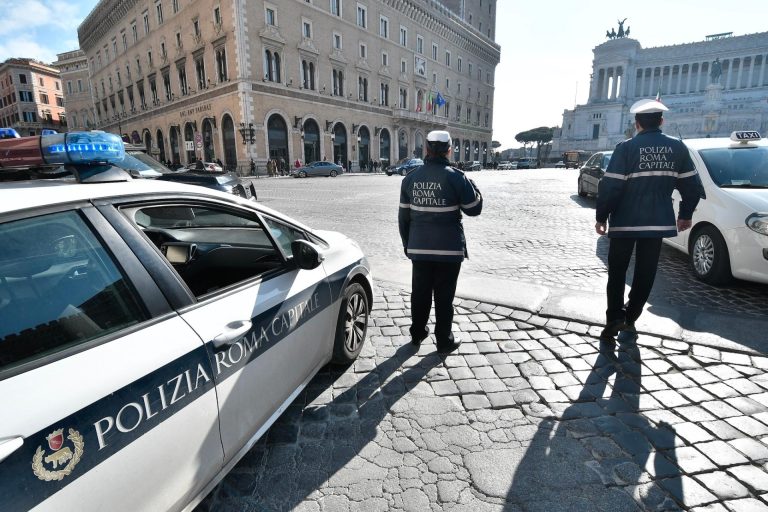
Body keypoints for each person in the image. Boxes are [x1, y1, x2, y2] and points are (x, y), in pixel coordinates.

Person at [595, 98, 702, 341]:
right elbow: (692, 187)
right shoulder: (678, 148)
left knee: (617, 272)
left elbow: (610, 186)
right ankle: (631, 317)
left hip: (624, 221)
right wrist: (685, 215)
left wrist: (601, 216)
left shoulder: (626, 148)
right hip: (657, 222)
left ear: (637, 123)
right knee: (646, 272)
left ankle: (613, 318)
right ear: (661, 121)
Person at [399, 130, 483, 353]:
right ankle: (444, 339)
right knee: (444, 297)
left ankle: (417, 333)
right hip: (449, 249)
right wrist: (473, 186)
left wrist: (408, 245)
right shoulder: (456, 177)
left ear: (426, 149)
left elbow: (403, 218)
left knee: (420, 293)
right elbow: (474, 209)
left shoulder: (410, 178)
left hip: (419, 247)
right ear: (449, 150)